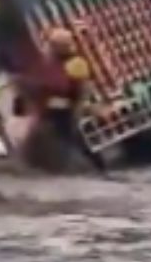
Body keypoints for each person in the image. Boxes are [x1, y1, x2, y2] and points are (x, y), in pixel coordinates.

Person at [42, 27, 105, 172]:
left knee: (75, 139)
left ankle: (96, 165)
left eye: (52, 46)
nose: (49, 49)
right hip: (57, 108)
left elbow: (82, 90)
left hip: (68, 108)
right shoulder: (54, 63)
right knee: (64, 137)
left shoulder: (76, 63)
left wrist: (77, 111)